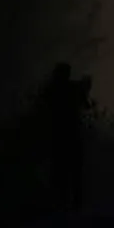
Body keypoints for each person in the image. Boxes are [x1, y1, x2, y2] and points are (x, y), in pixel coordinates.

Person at [39, 62, 92, 213]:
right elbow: (86, 104)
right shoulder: (69, 88)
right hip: (69, 135)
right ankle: (72, 207)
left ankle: (62, 206)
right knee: (71, 173)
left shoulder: (52, 89)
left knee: (61, 173)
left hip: (61, 136)